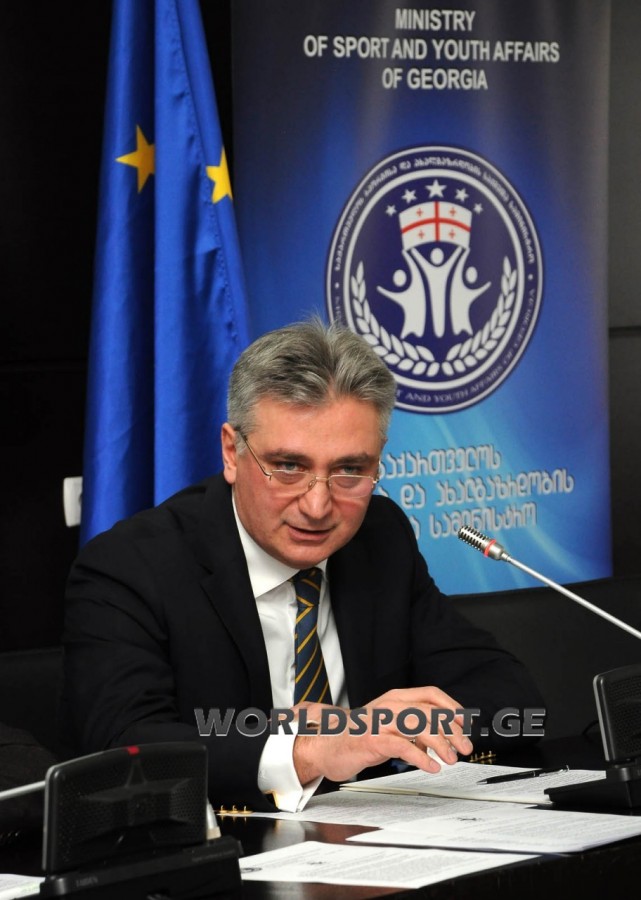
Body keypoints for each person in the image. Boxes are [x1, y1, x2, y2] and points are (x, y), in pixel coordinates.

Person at [61, 318, 544, 812]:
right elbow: (122, 749)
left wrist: (398, 725)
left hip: (378, 836)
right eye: (289, 467)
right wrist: (311, 749)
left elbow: (511, 698)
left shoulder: (379, 537)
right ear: (232, 453)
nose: (318, 506)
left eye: (349, 470)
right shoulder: (131, 567)